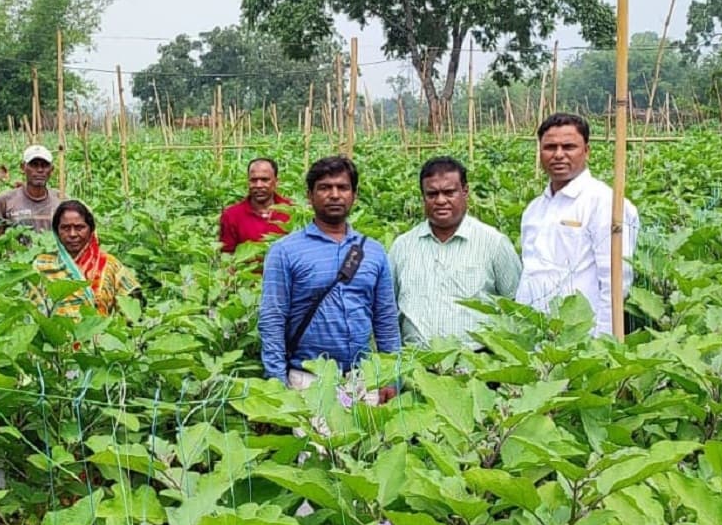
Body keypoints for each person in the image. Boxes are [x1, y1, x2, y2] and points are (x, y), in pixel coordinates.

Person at [259, 155, 401, 403]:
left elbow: (386, 319)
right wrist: (276, 383)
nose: (334, 195)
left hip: (363, 379)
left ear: (354, 195)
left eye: (343, 187)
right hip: (308, 381)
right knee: (315, 443)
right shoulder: (285, 251)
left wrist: (392, 376)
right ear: (310, 196)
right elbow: (272, 319)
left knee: (368, 442)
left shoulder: (374, 251)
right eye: (324, 188)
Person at [516, 113, 640, 337]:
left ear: (587, 151)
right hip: (534, 333)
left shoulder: (605, 203)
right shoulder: (534, 209)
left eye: (569, 146)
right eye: (550, 147)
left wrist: (603, 341)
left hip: (581, 336)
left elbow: (615, 282)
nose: (559, 155)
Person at [389, 156, 521, 348]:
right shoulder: (402, 246)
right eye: (432, 194)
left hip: (478, 365)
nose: (441, 200)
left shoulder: (494, 244)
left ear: (465, 191)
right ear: (423, 196)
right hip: (416, 365)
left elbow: (515, 306)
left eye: (449, 192)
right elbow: (388, 308)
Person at [32, 200, 140, 318]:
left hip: (100, 335)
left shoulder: (109, 264)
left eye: (79, 227)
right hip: (55, 334)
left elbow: (132, 307)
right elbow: (33, 312)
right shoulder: (42, 265)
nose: (72, 234)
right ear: (57, 231)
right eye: (65, 228)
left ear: (91, 229)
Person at [219, 157, 292, 253]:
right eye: (253, 180)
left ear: (276, 182)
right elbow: (227, 255)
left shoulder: (292, 211)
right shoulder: (232, 215)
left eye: (265, 180)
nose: (258, 185)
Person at [0, 144, 64, 236]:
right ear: (23, 167)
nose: (40, 170)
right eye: (34, 165)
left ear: (52, 170)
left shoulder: (61, 200)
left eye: (45, 165)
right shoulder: (5, 201)